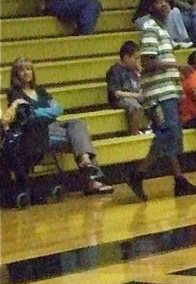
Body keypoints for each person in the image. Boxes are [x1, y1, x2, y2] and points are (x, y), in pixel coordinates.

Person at [127, 0, 196, 201]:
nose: (163, 5)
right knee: (167, 135)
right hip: (158, 95)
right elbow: (147, 62)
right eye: (157, 2)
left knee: (172, 137)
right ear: (150, 7)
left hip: (168, 92)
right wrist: (177, 65)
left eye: (165, 1)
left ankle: (179, 180)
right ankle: (138, 174)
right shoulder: (150, 29)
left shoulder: (162, 29)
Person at [4, 58, 114, 196]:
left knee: (78, 123)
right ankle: (91, 180)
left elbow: (59, 108)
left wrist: (40, 112)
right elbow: (29, 116)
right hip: (35, 133)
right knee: (78, 139)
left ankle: (85, 159)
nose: (26, 73)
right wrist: (47, 112)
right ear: (16, 74)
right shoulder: (14, 93)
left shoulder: (40, 90)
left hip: (51, 126)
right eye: (21, 70)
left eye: (28, 69)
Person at [106, 40, 149, 135]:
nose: (138, 61)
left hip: (135, 95)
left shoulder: (135, 70)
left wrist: (141, 74)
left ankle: (150, 128)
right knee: (135, 107)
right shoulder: (115, 70)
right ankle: (135, 133)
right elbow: (116, 93)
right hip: (121, 99)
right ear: (126, 57)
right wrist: (136, 95)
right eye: (136, 58)